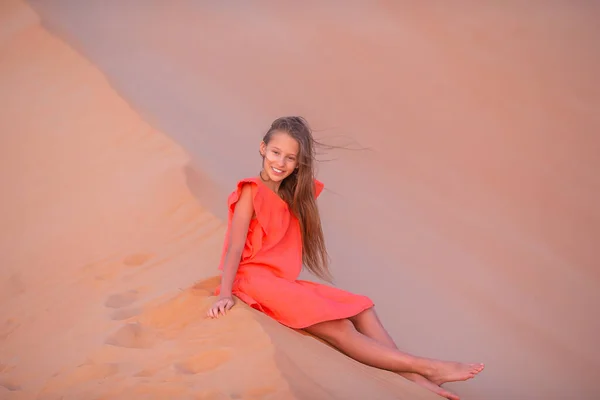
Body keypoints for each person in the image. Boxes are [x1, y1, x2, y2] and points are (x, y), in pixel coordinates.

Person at [208, 116, 484, 400]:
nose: (280, 163)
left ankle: (413, 377)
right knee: (340, 327)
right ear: (262, 148)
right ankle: (428, 368)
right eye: (276, 153)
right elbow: (234, 247)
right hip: (254, 281)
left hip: (277, 282)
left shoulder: (289, 195)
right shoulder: (251, 191)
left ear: (299, 163)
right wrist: (225, 294)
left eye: (291, 158)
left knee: (362, 308)